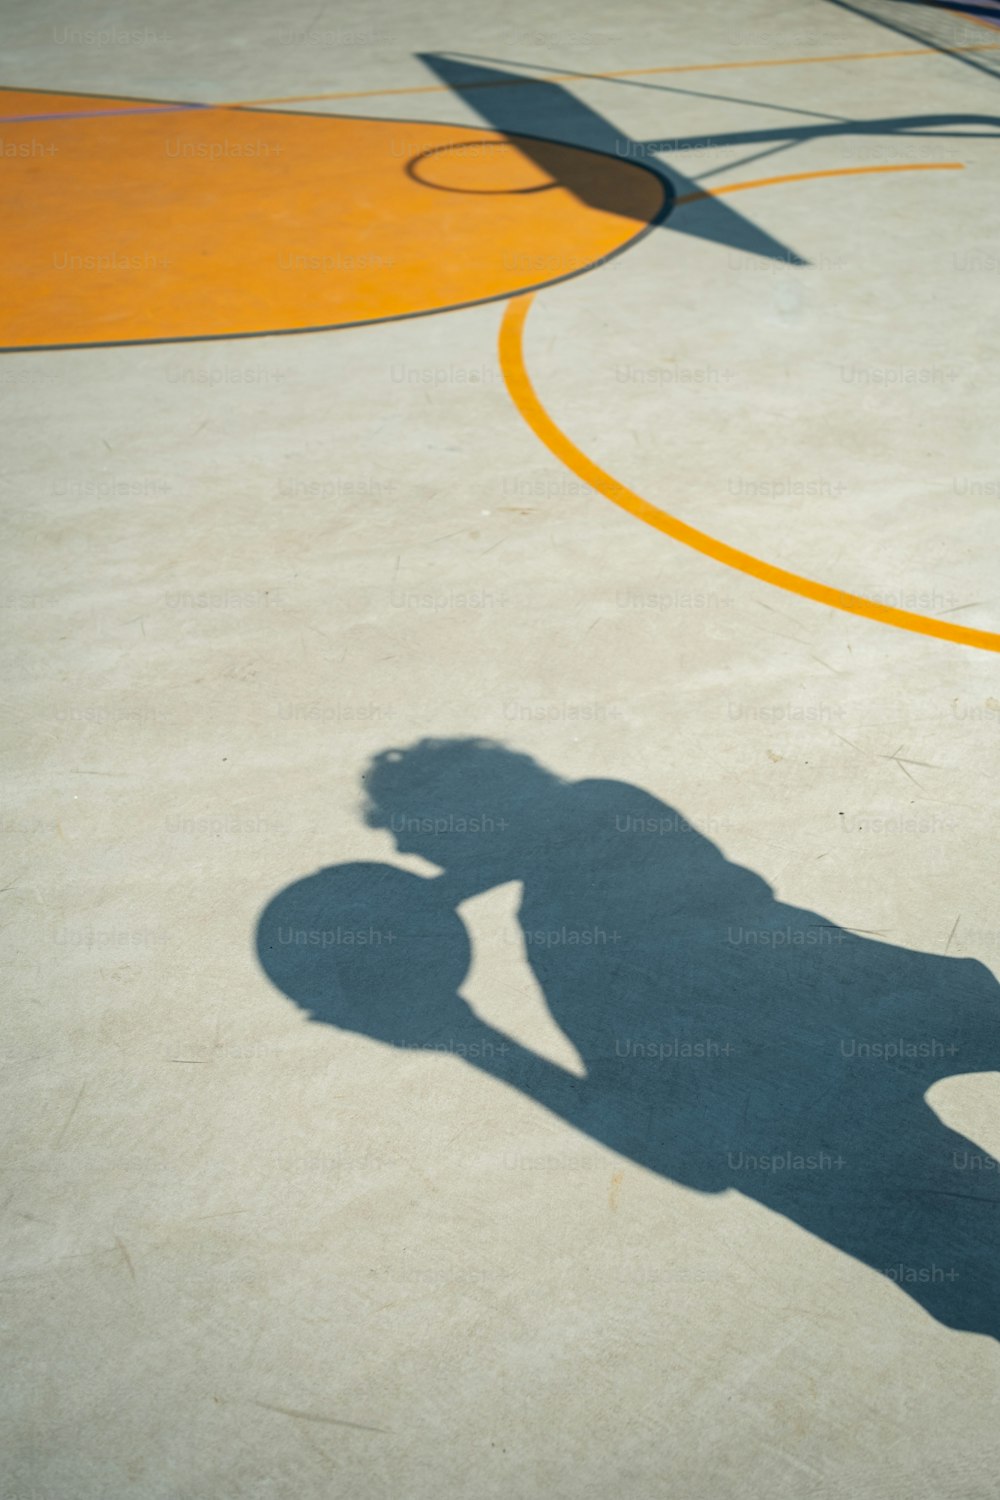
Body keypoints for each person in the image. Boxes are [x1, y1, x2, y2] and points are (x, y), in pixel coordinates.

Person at [257, 738, 1000, 1339]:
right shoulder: (566, 942)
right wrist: (465, 1036)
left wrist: (413, 924)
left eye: (413, 826)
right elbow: (681, 1149)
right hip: (828, 1084)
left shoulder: (602, 824)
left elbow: (567, 821)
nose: (407, 850)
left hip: (855, 1041)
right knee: (976, 1283)